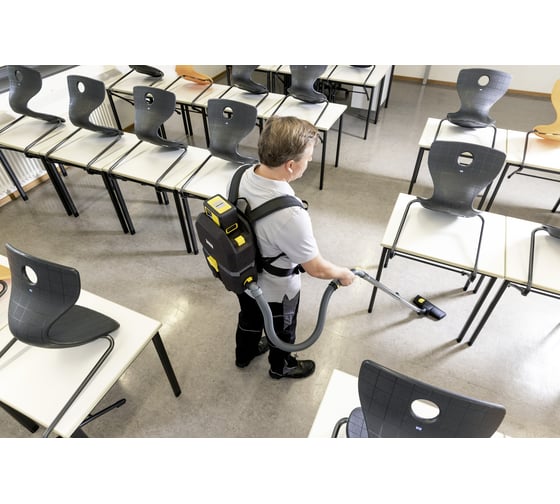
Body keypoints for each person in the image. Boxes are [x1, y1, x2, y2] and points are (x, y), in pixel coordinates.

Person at [233, 115, 355, 379]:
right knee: (283, 329)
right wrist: (343, 274)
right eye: (308, 158)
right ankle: (282, 366)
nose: (309, 162)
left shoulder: (241, 174)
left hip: (243, 275)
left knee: (249, 317)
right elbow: (316, 269)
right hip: (276, 290)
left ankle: (244, 353)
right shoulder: (290, 215)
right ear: (290, 165)